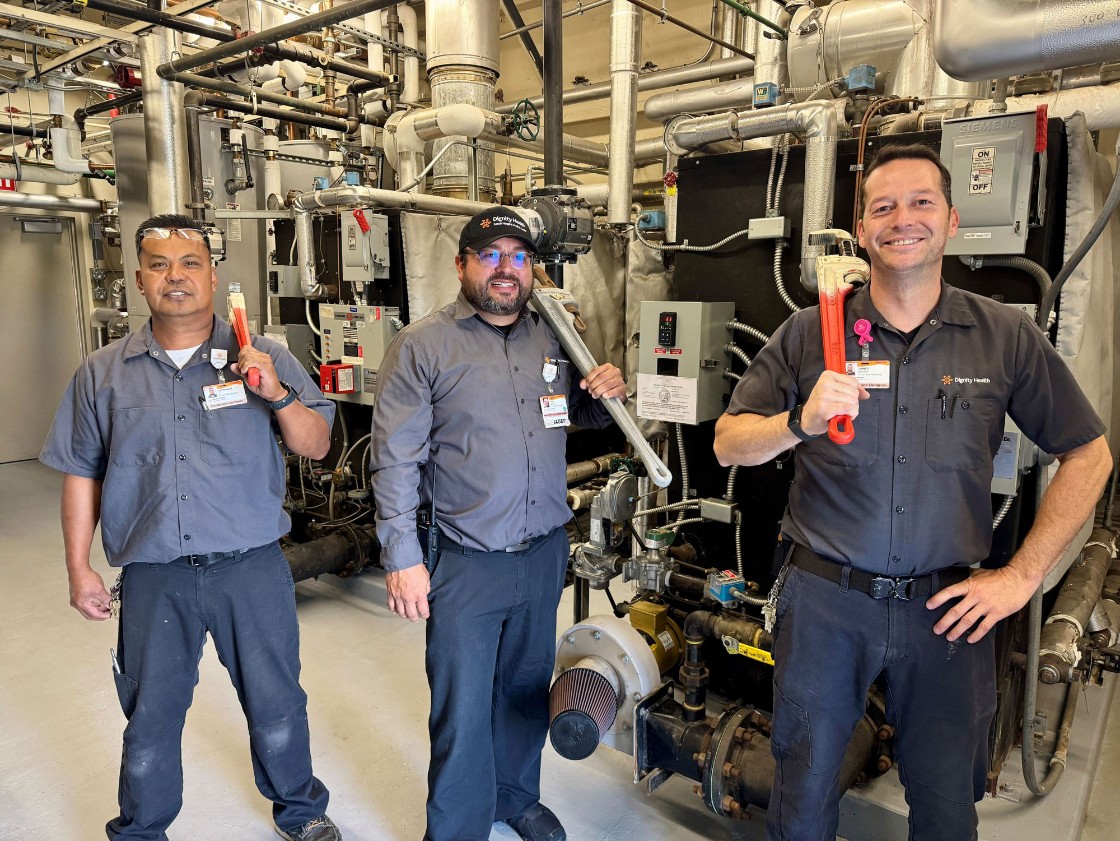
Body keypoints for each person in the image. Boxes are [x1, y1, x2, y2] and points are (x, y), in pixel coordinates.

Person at [712, 144, 1112, 841]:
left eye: (921, 202)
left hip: (947, 611)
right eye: (883, 207)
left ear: (952, 220)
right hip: (825, 605)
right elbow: (727, 440)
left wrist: (1021, 577)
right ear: (862, 231)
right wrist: (796, 423)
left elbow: (1090, 452)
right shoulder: (813, 332)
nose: (903, 219)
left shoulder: (1003, 336)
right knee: (801, 793)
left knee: (948, 805)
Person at [40, 213, 343, 841]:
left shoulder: (264, 355)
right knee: (149, 713)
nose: (175, 276)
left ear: (212, 275)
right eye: (159, 264)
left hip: (250, 567)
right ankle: (142, 828)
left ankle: (301, 811)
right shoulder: (102, 373)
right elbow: (80, 473)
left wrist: (277, 392)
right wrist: (78, 568)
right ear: (138, 279)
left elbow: (316, 444)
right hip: (154, 574)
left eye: (190, 263)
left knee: (276, 701)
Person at [369, 206, 627, 841]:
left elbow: (578, 424)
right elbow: (394, 458)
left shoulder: (553, 335)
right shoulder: (424, 344)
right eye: (491, 256)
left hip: (540, 551)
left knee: (522, 687)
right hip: (465, 558)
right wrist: (401, 557)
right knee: (462, 706)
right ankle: (456, 826)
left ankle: (515, 798)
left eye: (518, 256)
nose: (506, 269)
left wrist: (608, 390)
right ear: (462, 266)